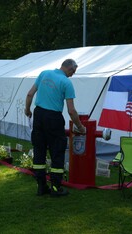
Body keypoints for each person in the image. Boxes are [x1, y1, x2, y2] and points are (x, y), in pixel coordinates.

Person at [25, 59, 86, 197]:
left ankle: (41, 187)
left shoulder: (44, 73)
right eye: (74, 72)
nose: (73, 75)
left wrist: (27, 110)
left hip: (38, 114)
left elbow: (30, 94)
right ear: (71, 69)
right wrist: (80, 127)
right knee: (57, 151)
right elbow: (71, 111)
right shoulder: (66, 83)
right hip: (54, 118)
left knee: (39, 150)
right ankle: (56, 188)